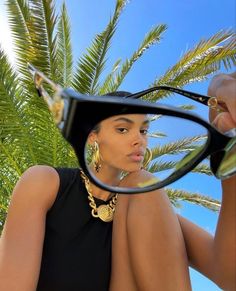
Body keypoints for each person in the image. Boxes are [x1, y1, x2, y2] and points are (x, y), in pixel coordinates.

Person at [0, 73, 235, 291]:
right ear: (93, 135)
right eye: (123, 129)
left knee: (142, 186)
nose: (138, 141)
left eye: (143, 131)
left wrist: (230, 159)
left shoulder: (143, 203)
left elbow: (228, 275)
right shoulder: (45, 183)